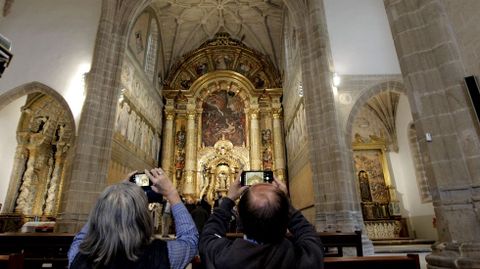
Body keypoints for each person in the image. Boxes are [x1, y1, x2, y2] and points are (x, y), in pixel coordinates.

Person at [68, 168, 198, 269]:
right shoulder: (164, 255)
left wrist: (119, 191)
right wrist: (172, 193)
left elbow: (83, 234)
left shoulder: (78, 255)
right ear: (143, 218)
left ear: (99, 215)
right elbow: (190, 240)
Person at [199, 173, 324, 269]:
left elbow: (208, 235)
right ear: (286, 218)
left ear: (240, 220)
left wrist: (229, 198)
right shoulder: (307, 258)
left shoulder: (222, 257)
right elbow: (306, 232)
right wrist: (284, 200)